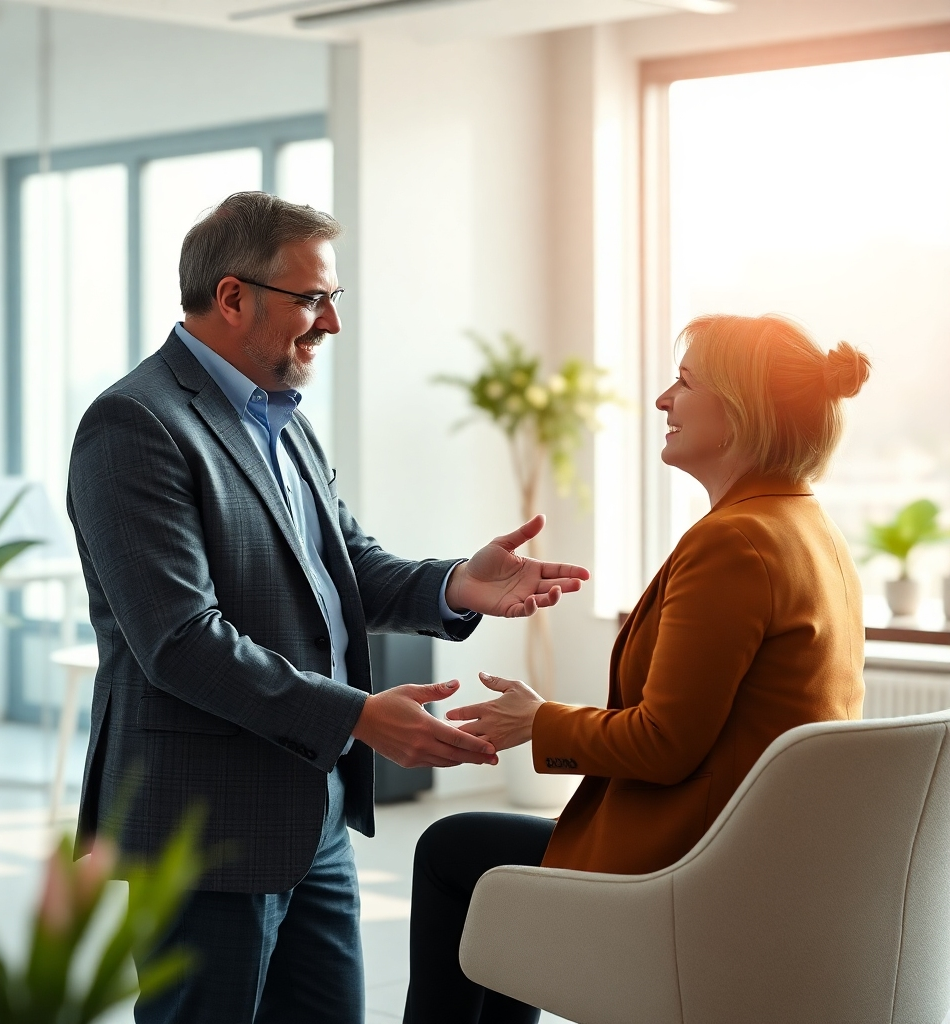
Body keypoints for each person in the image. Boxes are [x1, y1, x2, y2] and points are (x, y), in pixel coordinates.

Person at [66, 191, 590, 1024]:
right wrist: (358, 718)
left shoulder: (285, 421)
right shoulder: (134, 424)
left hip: (314, 817)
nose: (330, 326)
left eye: (332, 301)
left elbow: (347, 568)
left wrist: (460, 584)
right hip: (204, 827)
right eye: (312, 300)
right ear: (233, 297)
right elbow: (181, 640)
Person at [403, 313, 872, 1024]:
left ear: (741, 414)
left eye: (684, 384)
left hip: (694, 868)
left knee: (452, 849)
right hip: (762, 862)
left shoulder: (736, 543)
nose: (662, 401)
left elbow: (664, 743)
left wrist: (540, 722)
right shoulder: (810, 529)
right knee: (485, 862)